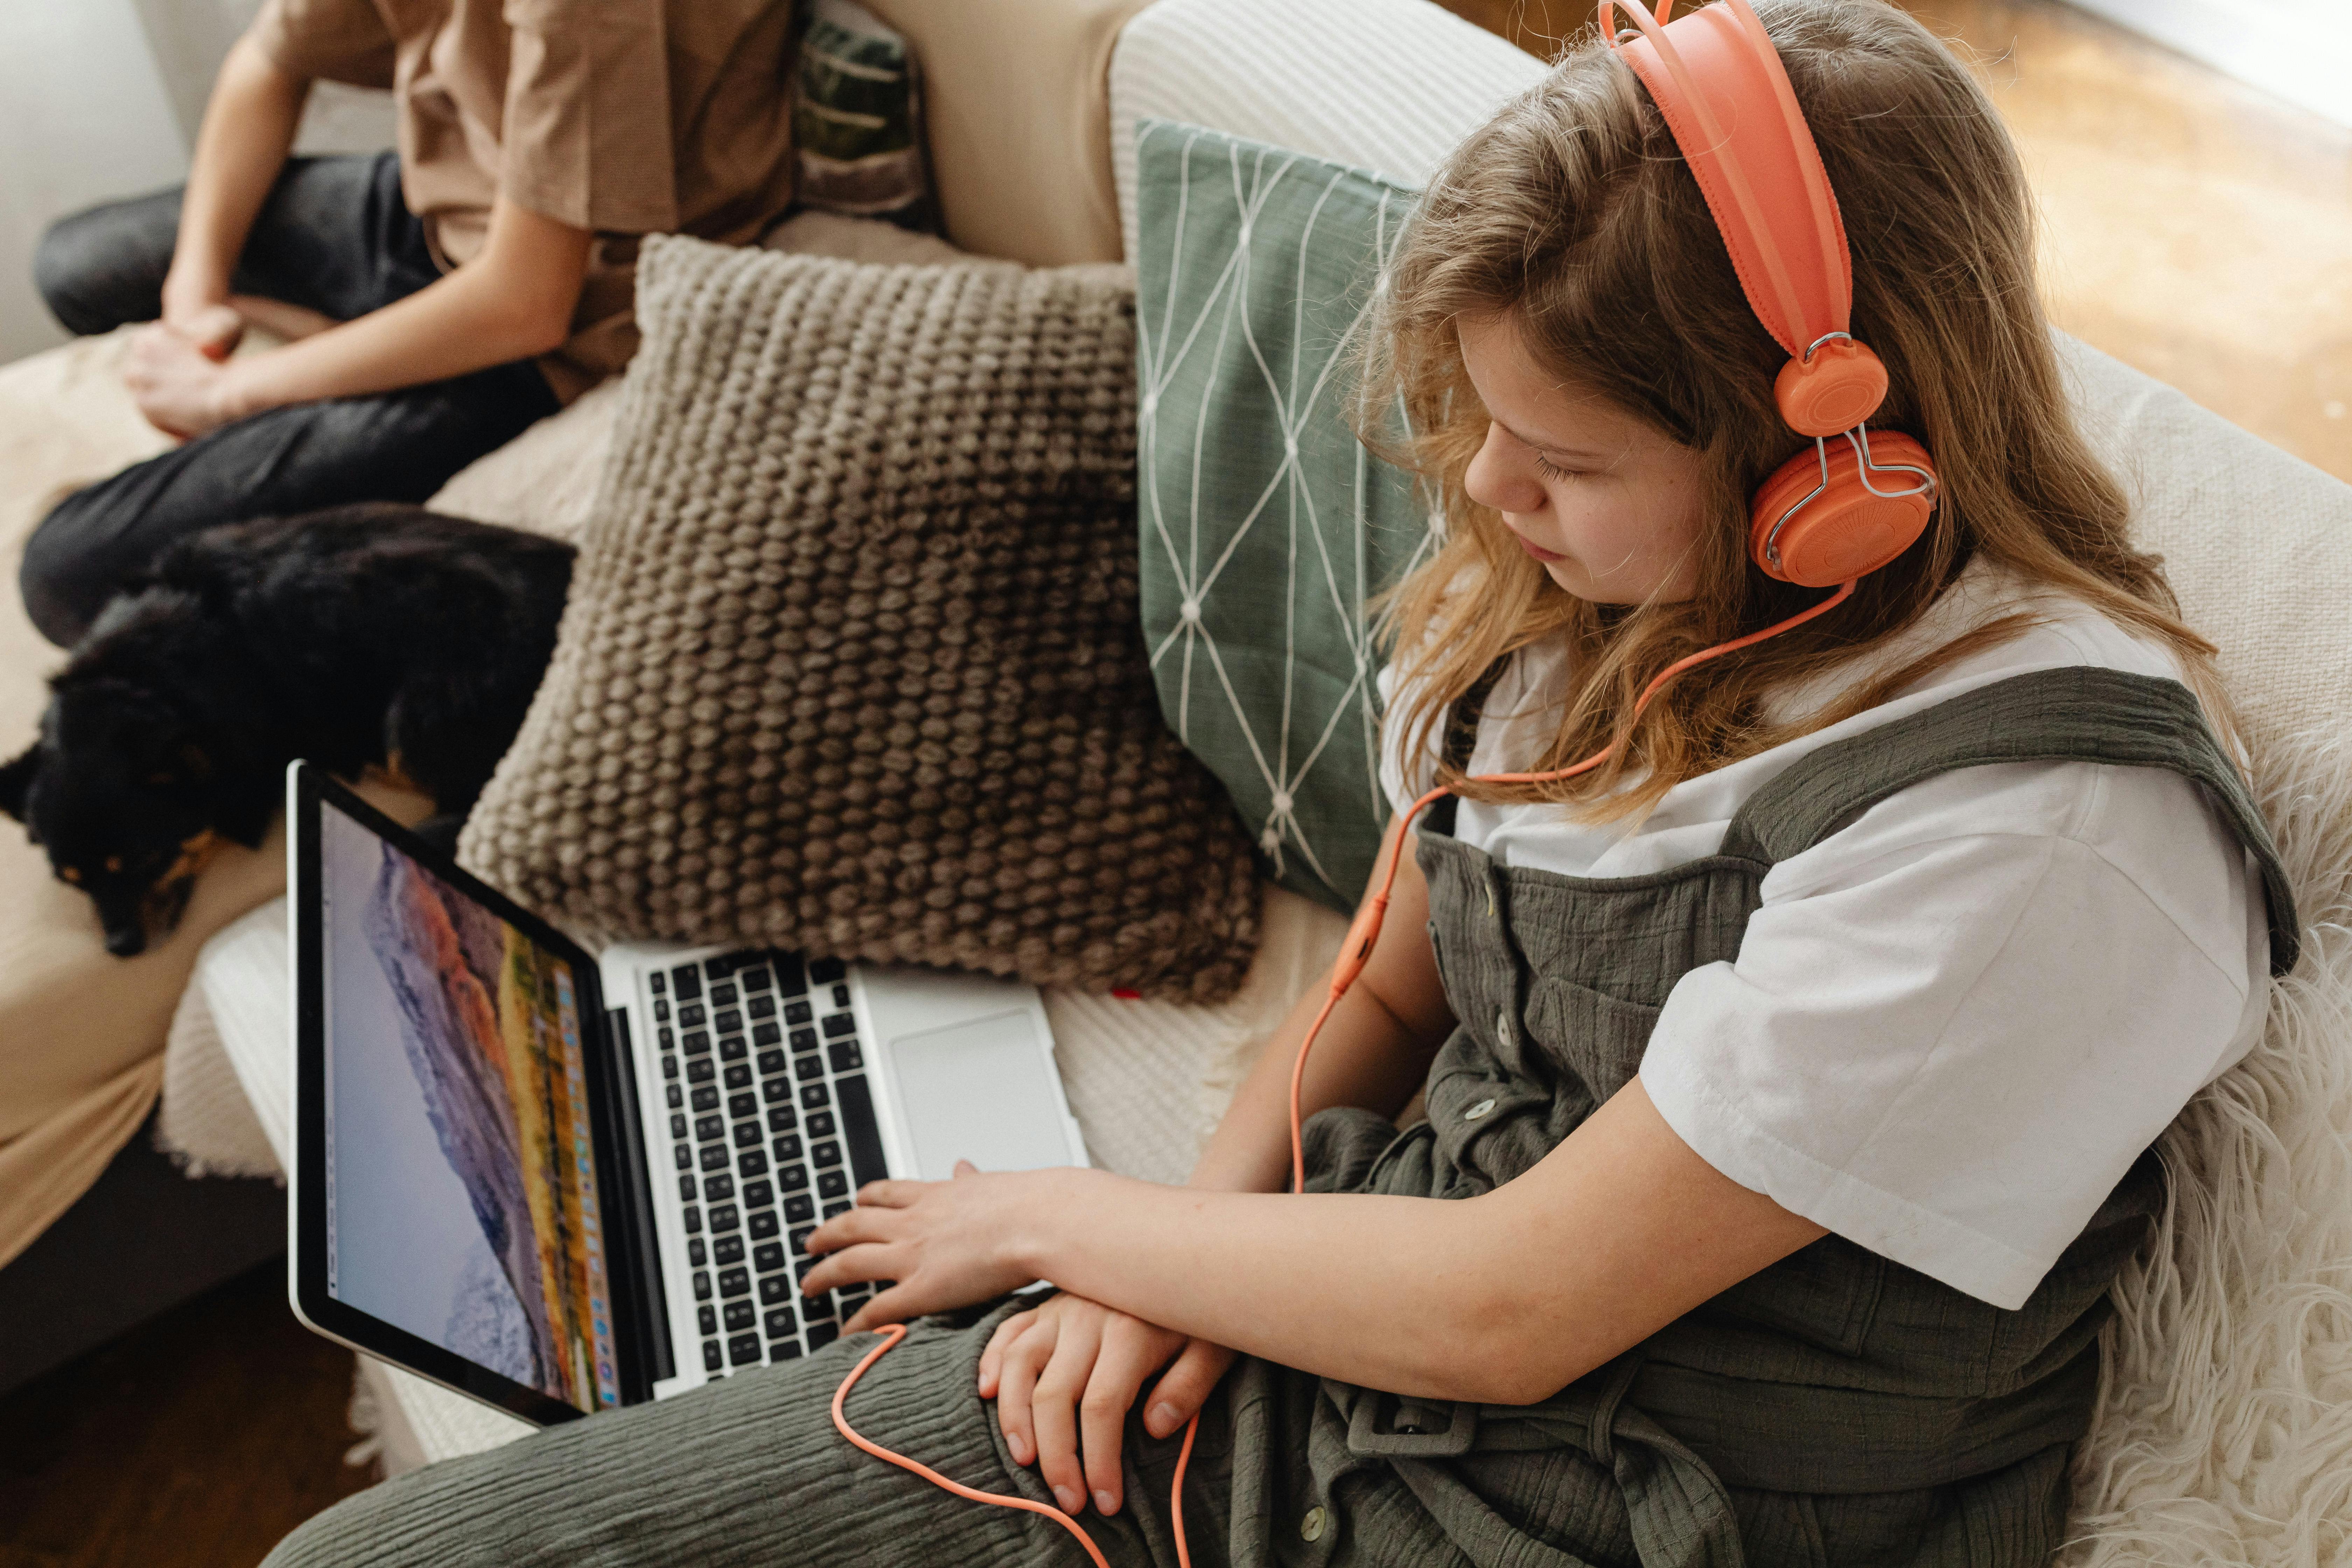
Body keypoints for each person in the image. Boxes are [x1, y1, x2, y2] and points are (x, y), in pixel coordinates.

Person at [261, 2, 2293, 1563]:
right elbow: (1393, 987)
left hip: (1610, 1498)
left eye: (1564, 460)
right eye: (1486, 425)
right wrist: (1179, 1258)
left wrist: (1080, 1233)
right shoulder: (1623, 592)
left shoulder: (2047, 834)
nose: (1491, 496)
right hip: (1381, 1332)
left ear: (1837, 458)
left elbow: (1515, 1311)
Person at [21, 0, 796, 649]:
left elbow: (526, 305)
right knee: (72, 264)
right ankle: (335, 342)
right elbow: (268, 64)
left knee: (63, 576)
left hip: (565, 314)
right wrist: (196, 295)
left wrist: (229, 394)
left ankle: (345, 358)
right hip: (448, 212)